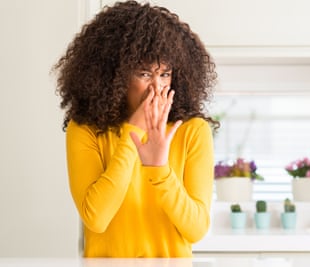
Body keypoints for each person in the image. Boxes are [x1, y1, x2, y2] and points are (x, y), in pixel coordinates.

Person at [53, 0, 218, 257]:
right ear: (114, 76)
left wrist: (160, 169)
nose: (156, 87)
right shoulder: (85, 129)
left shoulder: (192, 131)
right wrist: (133, 136)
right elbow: (96, 218)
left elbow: (196, 229)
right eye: (144, 74)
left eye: (164, 74)